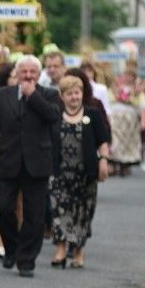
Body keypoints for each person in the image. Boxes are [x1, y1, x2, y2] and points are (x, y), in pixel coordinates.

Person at [0, 55, 61, 278]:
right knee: (3, 207)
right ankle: (12, 249)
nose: (28, 76)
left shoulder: (49, 94)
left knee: (34, 216)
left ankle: (26, 260)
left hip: (37, 164)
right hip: (8, 161)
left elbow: (54, 116)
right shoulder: (3, 95)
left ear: (38, 74)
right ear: (16, 74)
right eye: (23, 72)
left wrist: (32, 96)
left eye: (32, 72)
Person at [49, 76, 110, 269]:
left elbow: (103, 142)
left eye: (77, 93)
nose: (74, 97)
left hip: (86, 175)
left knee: (83, 213)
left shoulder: (92, 114)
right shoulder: (56, 115)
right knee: (59, 210)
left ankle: (78, 251)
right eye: (70, 93)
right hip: (60, 174)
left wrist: (103, 162)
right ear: (62, 96)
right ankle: (60, 249)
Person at [108, 64, 145, 176]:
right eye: (126, 75)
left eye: (130, 75)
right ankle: (113, 163)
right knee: (114, 140)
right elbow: (107, 102)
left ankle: (125, 165)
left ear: (134, 77)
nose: (127, 77)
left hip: (130, 122)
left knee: (128, 143)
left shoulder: (138, 90)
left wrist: (143, 121)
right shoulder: (114, 87)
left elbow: (143, 106)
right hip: (115, 119)